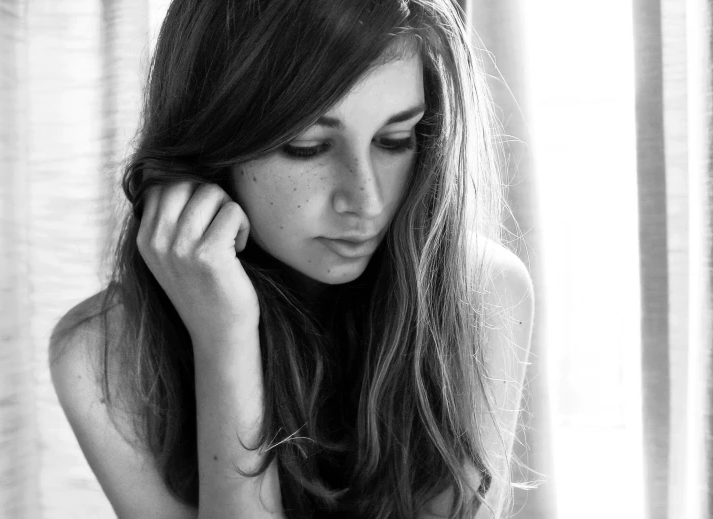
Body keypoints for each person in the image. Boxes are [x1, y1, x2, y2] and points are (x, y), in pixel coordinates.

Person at [49, 0, 534, 517]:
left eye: (395, 141)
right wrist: (224, 337)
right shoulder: (104, 355)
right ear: (211, 142)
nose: (366, 201)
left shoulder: (480, 293)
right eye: (307, 147)